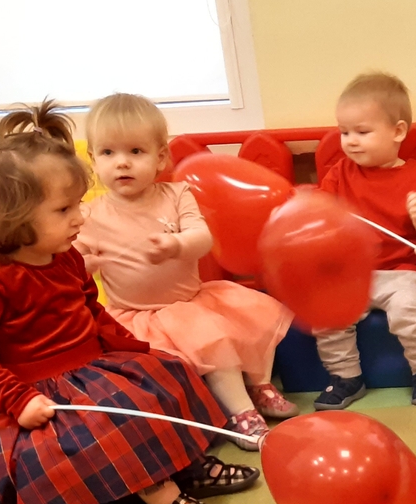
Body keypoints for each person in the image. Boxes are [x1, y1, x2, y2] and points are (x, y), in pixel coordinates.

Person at [0, 103, 254, 504]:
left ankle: (186, 464)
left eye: (78, 204)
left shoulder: (67, 257)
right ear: (13, 217)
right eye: (64, 209)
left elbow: (90, 310)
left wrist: (135, 351)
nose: (80, 217)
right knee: (114, 420)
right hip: (37, 390)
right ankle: (164, 503)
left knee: (169, 374)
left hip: (91, 364)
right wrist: (18, 399)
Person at [78, 94, 297, 450]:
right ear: (92, 159)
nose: (122, 163)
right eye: (108, 153)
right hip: (135, 316)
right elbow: (70, 259)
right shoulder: (90, 215)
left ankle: (254, 392)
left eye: (136, 151)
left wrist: (177, 244)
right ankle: (228, 411)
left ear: (160, 157)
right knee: (182, 360)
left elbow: (202, 237)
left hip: (191, 303)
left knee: (239, 330)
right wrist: (83, 266)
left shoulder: (176, 195)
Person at [312, 72, 416, 408]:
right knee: (327, 312)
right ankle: (345, 377)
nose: (350, 141)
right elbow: (320, 215)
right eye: (344, 132)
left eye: (362, 132)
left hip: (408, 272)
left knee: (408, 309)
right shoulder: (340, 173)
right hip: (354, 272)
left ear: (397, 132)